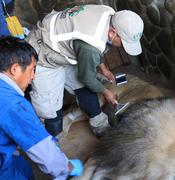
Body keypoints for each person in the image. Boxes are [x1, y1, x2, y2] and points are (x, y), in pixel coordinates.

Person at [26, 4, 144, 137]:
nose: (122, 47)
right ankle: (52, 141)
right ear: (112, 32)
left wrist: (103, 69)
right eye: (123, 42)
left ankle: (99, 123)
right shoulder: (91, 45)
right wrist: (106, 92)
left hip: (64, 47)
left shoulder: (109, 13)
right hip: (44, 54)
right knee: (49, 111)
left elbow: (94, 48)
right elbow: (87, 76)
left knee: (84, 88)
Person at [0, 36, 83, 179]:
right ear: (15, 69)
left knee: (21, 165)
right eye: (32, 69)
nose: (33, 77)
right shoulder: (14, 105)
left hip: (8, 156)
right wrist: (67, 167)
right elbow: (45, 153)